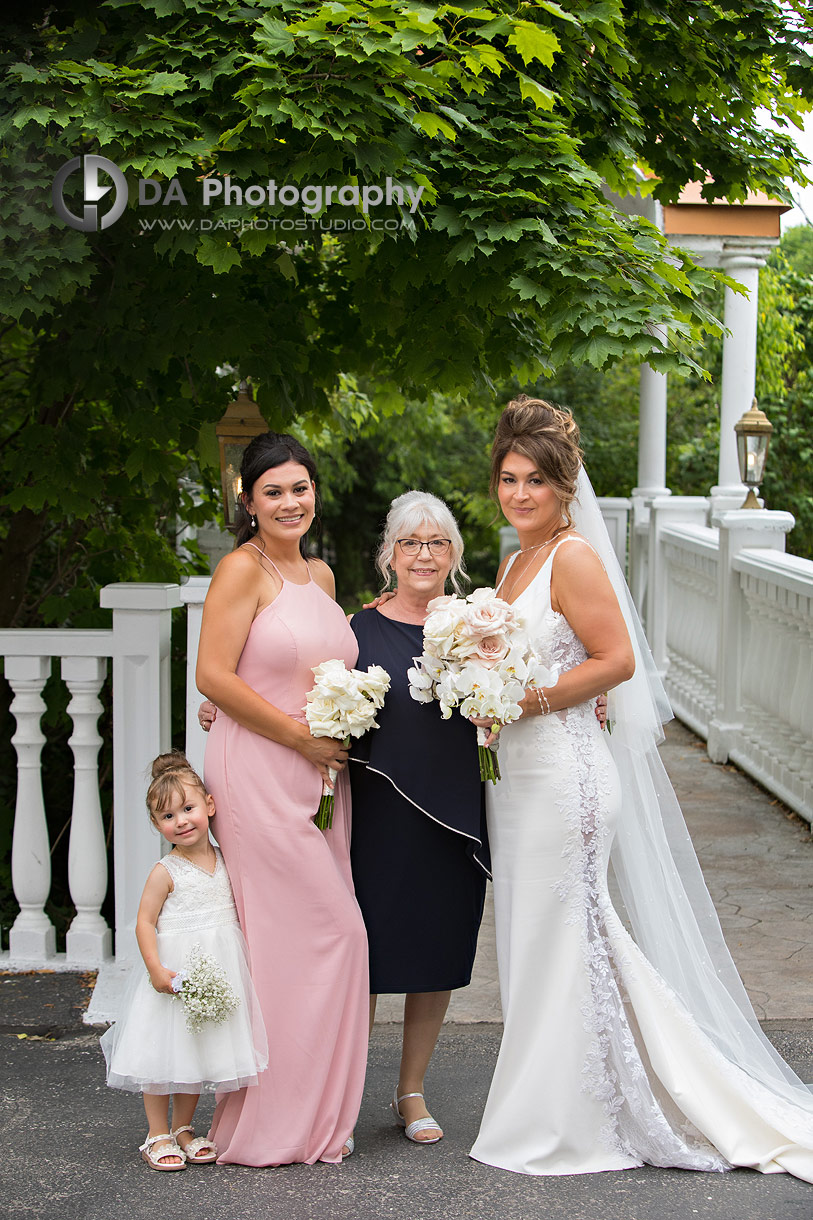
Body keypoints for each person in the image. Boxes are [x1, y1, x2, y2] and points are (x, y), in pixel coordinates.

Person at [469, 396, 813, 1180]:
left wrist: (517, 700)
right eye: (508, 479)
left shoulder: (572, 556)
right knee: (535, 934)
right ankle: (550, 1100)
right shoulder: (513, 560)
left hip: (564, 775)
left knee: (568, 933)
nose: (519, 494)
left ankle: (571, 1118)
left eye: (536, 482)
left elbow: (615, 660)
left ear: (565, 487)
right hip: (518, 776)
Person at [196, 431, 369, 1167]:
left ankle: (314, 1118)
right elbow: (214, 676)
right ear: (247, 500)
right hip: (260, 771)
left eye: (299, 488)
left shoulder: (322, 577)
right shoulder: (241, 570)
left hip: (323, 779)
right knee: (318, 938)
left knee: (315, 943)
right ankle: (270, 1122)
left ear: (314, 494)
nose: (289, 502)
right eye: (273, 491)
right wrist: (297, 739)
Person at [350, 491, 490, 1144]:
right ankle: (339, 1096)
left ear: (453, 554)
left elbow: (529, 677)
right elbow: (294, 687)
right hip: (374, 819)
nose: (424, 555)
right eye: (410, 542)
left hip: (453, 811)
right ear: (389, 555)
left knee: (434, 954)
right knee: (363, 959)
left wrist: (592, 694)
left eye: (436, 543)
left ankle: (411, 1092)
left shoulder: (474, 632)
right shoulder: (354, 630)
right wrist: (223, 710)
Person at [100, 752, 267, 1172]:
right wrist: (156, 969)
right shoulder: (166, 870)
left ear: (210, 805)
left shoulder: (228, 858)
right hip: (175, 975)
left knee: (195, 1052)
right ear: (157, 825)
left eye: (188, 808)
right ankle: (156, 1132)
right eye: (168, 816)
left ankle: (184, 1127)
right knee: (162, 1051)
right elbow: (144, 921)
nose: (182, 821)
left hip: (217, 973)